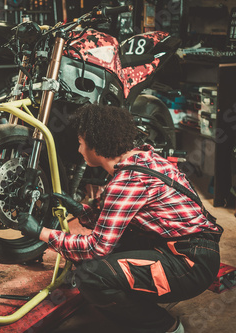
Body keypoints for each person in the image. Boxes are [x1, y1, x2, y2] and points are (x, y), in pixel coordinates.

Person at [17, 104, 223, 333]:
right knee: (96, 256)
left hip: (190, 264)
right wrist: (80, 210)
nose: (79, 150)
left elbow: (97, 247)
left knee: (90, 276)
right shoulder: (143, 160)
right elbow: (114, 224)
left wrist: (41, 233)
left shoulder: (126, 180)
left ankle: (168, 328)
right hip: (187, 248)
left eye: (81, 143)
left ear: (95, 144)